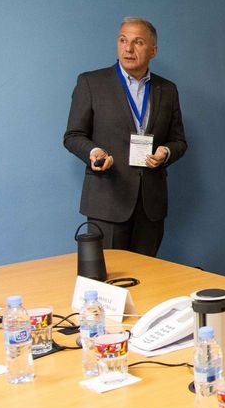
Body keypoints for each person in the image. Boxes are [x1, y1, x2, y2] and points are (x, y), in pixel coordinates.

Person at [62, 17, 188, 257]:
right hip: (107, 201)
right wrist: (94, 152)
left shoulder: (167, 89)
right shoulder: (91, 83)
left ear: (153, 50)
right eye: (123, 40)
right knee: (109, 275)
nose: (128, 48)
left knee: (148, 274)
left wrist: (166, 153)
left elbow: (179, 141)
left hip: (150, 205)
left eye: (138, 42)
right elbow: (73, 135)